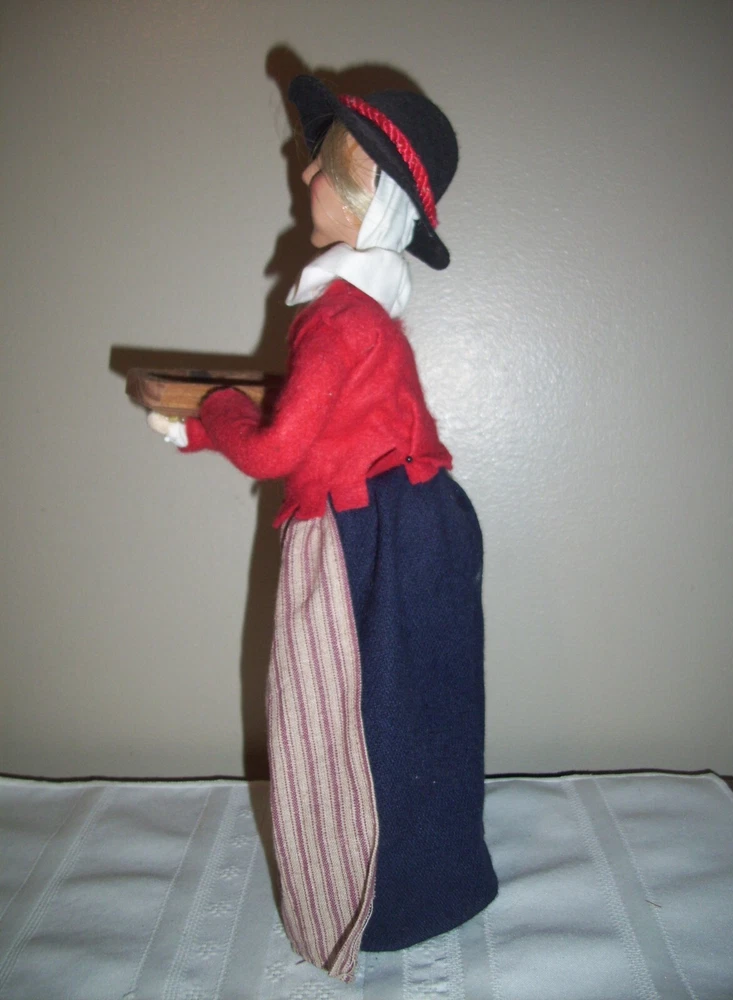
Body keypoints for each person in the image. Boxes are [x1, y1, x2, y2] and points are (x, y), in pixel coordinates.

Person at [148, 74, 498, 982]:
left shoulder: (338, 317)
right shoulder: (363, 311)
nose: (303, 173)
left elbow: (276, 449)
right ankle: (432, 884)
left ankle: (367, 903)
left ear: (360, 192)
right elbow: (320, 423)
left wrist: (216, 410)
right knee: (415, 715)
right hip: (410, 521)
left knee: (346, 721)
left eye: (320, 164)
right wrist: (201, 427)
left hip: (366, 538)